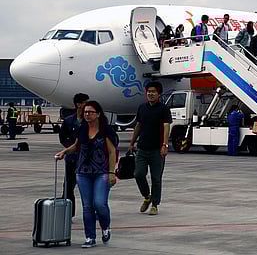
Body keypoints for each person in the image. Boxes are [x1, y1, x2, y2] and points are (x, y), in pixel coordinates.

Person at [55, 100, 118, 248]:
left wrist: (111, 172)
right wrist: (65, 152)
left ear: (98, 114)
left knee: (99, 204)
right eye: (85, 112)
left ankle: (105, 226)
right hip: (83, 172)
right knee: (87, 206)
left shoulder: (106, 130)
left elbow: (112, 151)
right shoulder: (82, 129)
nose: (87, 115)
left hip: (101, 172)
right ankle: (90, 237)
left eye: (90, 112)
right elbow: (77, 145)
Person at [128, 81, 172, 215]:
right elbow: (138, 125)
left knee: (156, 178)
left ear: (159, 94)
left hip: (157, 150)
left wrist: (164, 145)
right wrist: (132, 142)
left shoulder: (164, 109)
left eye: (153, 92)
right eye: (149, 91)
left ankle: (155, 204)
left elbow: (166, 127)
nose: (150, 94)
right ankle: (147, 196)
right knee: (138, 174)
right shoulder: (142, 108)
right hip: (142, 148)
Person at [59, 92, 89, 218]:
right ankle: (67, 212)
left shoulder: (90, 120)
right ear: (78, 104)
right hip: (72, 158)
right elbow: (62, 137)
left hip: (87, 158)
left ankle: (92, 210)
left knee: (88, 186)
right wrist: (69, 147)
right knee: (68, 186)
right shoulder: (68, 121)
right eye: (85, 103)